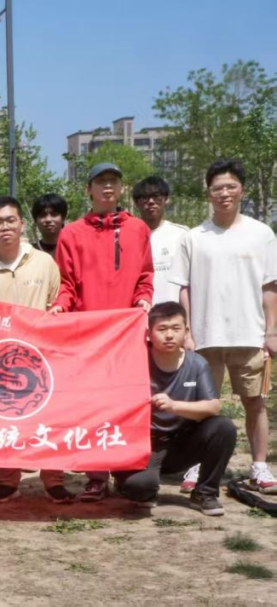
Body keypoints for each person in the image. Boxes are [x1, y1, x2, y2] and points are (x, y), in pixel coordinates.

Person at [169, 158, 277, 494]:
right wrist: (187, 331)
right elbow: (184, 287)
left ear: (242, 190)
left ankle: (259, 466)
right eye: (218, 188)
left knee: (254, 401)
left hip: (250, 334)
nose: (224, 193)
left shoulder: (261, 233)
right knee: (202, 407)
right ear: (208, 192)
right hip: (205, 336)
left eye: (231, 186)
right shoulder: (193, 237)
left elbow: (270, 286)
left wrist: (271, 331)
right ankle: (197, 464)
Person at [0, 197, 73, 505]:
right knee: (2, 421)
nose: (5, 226)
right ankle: (7, 481)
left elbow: (58, 301)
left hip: (41, 359)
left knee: (48, 420)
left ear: (22, 224)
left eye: (11, 220)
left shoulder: (43, 263)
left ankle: (54, 479)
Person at [50, 162, 153, 503]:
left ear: (121, 189)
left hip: (126, 336)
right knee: (91, 406)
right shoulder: (71, 234)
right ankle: (95, 475)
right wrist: (61, 306)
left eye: (113, 181)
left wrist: (143, 299)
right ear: (88, 189)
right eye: (101, 181)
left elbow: (145, 276)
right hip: (88, 337)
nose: (108, 187)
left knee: (126, 402)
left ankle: (125, 467)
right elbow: (67, 283)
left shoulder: (138, 229)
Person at [113, 303, 236, 516]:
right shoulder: (134, 360)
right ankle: (131, 482)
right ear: (149, 333)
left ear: (186, 331)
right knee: (139, 488)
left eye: (176, 328)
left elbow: (213, 406)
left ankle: (205, 493)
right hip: (145, 444)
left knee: (224, 427)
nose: (169, 335)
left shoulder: (197, 363)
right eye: (162, 329)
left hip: (182, 442)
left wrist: (174, 406)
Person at [133, 176, 187, 305]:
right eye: (145, 197)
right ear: (136, 203)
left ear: (166, 199)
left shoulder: (182, 235)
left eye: (157, 197)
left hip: (173, 313)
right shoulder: (128, 237)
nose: (151, 202)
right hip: (140, 311)